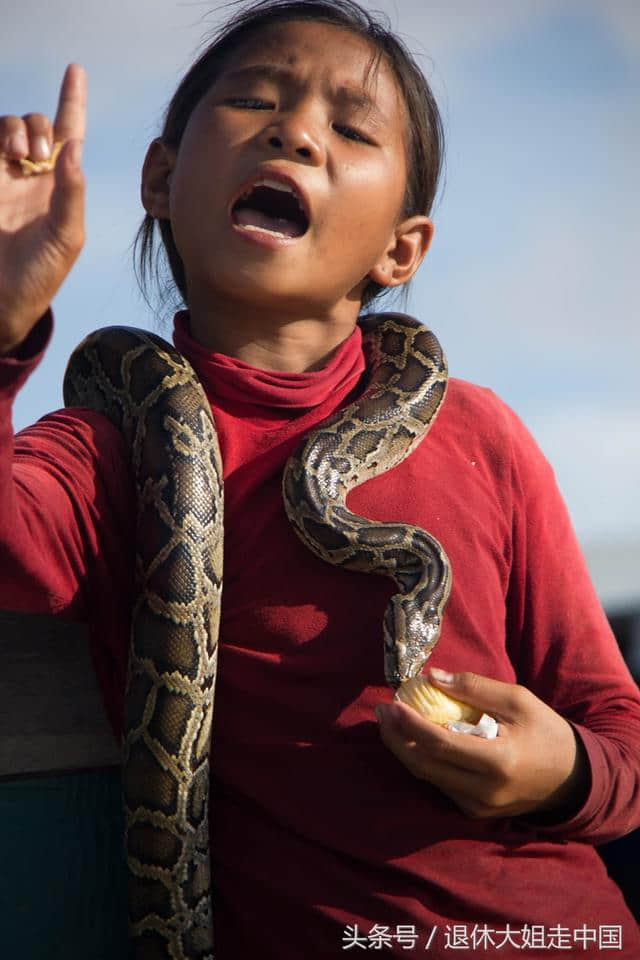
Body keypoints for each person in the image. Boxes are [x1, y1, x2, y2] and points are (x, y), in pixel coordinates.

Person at [1, 1, 639, 956]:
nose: (294, 130)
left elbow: (617, 731)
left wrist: (562, 774)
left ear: (402, 248)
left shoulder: (481, 434)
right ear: (162, 180)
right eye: (254, 99)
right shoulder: (105, 440)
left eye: (349, 128)